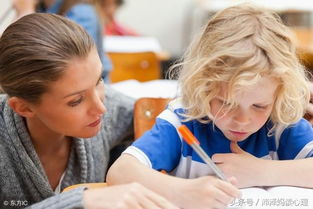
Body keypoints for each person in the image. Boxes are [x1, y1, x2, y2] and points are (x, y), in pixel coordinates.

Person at [107, 4, 313, 209]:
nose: (242, 120)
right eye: (227, 103)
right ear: (203, 87)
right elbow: (120, 171)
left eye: (259, 106)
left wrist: (261, 171)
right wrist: (182, 192)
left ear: (278, 94)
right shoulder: (182, 122)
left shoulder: (280, 122)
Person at [0, 13, 178, 209]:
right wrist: (82, 200)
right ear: (23, 107)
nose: (101, 108)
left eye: (99, 80)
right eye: (76, 101)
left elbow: (165, 114)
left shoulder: (106, 105)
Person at [12, 0, 112, 81]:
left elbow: (62, 64)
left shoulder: (81, 12)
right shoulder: (42, 9)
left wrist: (25, 12)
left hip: (85, 90)